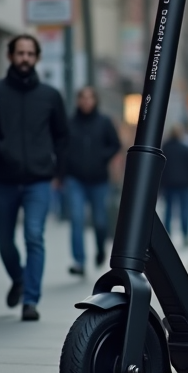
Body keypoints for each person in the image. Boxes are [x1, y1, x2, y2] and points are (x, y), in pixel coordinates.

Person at [0, 34, 68, 321]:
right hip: (3, 179)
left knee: (34, 236)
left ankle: (31, 300)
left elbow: (62, 137)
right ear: (10, 56)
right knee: (3, 240)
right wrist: (0, 148)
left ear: (36, 58)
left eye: (30, 53)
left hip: (38, 180)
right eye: (19, 53)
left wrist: (59, 172)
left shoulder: (50, 96)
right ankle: (19, 278)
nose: (25, 58)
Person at [64, 87, 122, 275]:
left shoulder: (104, 122)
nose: (86, 102)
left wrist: (101, 157)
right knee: (77, 218)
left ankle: (100, 249)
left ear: (95, 101)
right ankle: (79, 261)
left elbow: (116, 145)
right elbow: (61, 148)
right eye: (83, 98)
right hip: (75, 179)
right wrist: (60, 173)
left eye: (90, 98)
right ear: (78, 101)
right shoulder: (70, 122)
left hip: (99, 180)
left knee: (100, 221)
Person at [161, 125, 188, 246]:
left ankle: (166, 234)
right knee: (184, 209)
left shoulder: (165, 148)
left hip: (168, 183)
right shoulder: (186, 149)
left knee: (168, 209)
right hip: (184, 183)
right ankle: (185, 234)